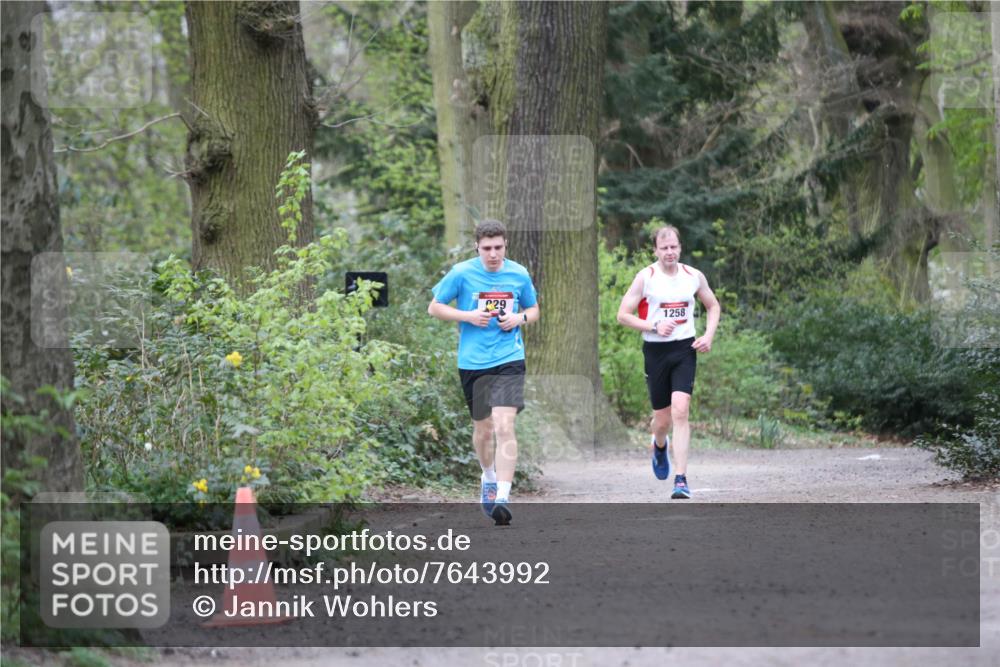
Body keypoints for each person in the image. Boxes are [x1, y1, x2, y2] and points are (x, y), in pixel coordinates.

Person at [428, 219, 539, 525]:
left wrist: (518, 319)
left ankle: (502, 496)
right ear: (477, 247)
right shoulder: (462, 273)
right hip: (473, 362)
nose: (493, 254)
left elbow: (533, 309)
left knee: (504, 425)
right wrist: (468, 316)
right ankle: (488, 477)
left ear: (506, 245)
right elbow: (434, 307)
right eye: (487, 248)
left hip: (509, 358)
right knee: (484, 430)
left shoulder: (518, 273)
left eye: (498, 247)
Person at [616, 225, 720, 499]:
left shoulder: (693, 276)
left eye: (674, 247)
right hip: (656, 352)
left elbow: (713, 305)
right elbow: (623, 315)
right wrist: (654, 326)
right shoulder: (645, 278)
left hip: (685, 349)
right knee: (662, 421)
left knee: (681, 410)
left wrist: (708, 336)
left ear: (680, 248)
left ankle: (681, 479)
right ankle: (659, 445)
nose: (670, 252)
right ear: (656, 251)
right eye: (664, 248)